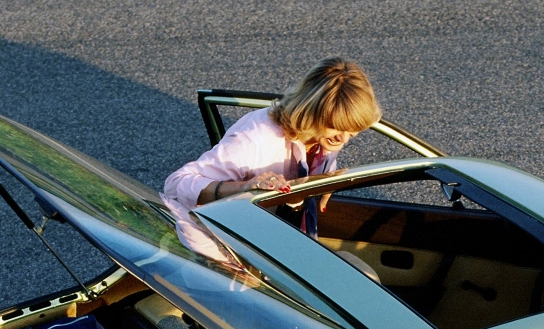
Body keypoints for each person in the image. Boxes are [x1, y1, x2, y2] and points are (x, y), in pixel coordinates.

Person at [161, 56, 381, 248]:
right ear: (310, 111)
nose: (343, 138)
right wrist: (245, 187)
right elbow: (176, 183)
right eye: (337, 126)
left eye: (353, 130)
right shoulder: (256, 139)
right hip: (227, 252)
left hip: (275, 244)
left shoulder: (321, 136)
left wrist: (325, 181)